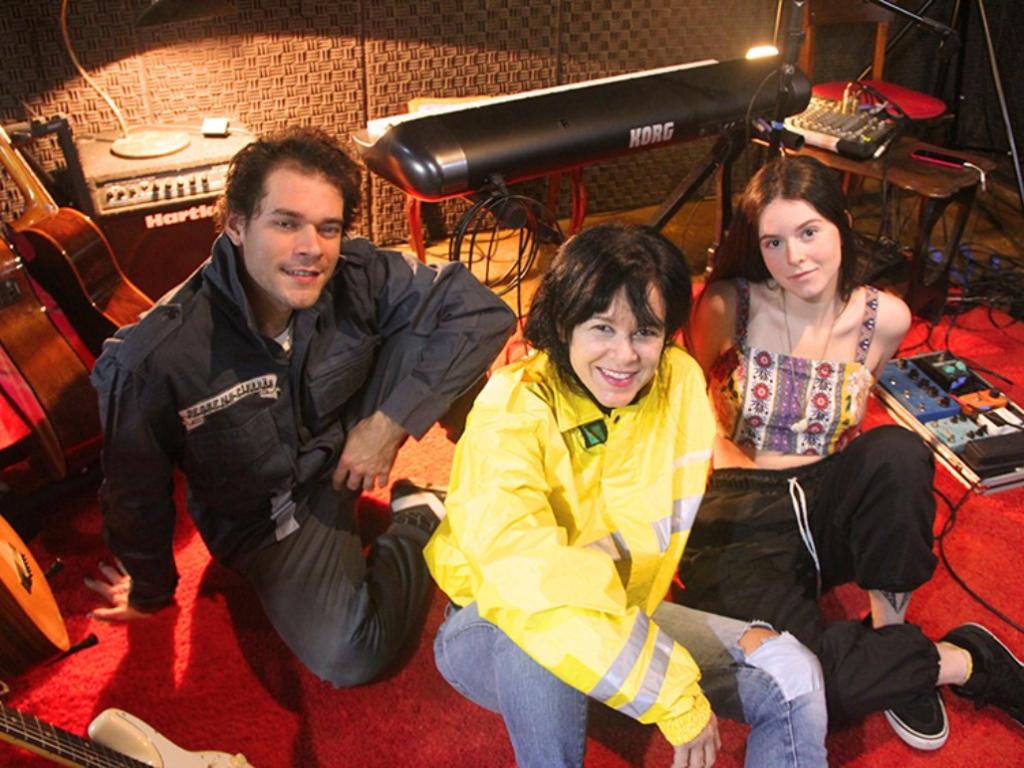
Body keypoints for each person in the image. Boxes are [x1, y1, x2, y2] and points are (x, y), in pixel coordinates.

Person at [85, 127, 516, 687]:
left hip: (346, 442)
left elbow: (483, 313)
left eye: (328, 227)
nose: (312, 246)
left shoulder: (356, 271)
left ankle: (511, 492)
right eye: (286, 223)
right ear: (236, 225)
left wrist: (388, 425)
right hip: (272, 519)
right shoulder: (151, 359)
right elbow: (134, 494)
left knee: (450, 334)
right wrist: (150, 590)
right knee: (353, 656)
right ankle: (420, 516)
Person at [425, 222, 829, 768]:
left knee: (790, 669)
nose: (625, 355)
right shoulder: (510, 408)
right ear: (563, 323)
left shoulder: (678, 382)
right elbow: (533, 582)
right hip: (493, 623)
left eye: (645, 332)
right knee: (540, 637)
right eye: (602, 328)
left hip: (622, 612)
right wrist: (672, 694)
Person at [676, 154, 1024, 751]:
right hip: (742, 516)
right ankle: (957, 661)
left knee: (898, 453)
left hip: (831, 498)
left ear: (842, 224)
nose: (794, 257)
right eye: (774, 242)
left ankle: (889, 629)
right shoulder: (724, 305)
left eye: (809, 232)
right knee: (803, 685)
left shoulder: (885, 318)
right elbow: (684, 400)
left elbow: (857, 422)